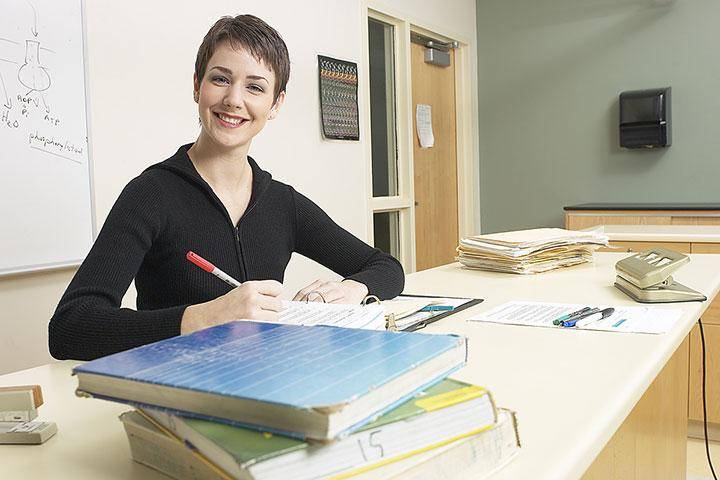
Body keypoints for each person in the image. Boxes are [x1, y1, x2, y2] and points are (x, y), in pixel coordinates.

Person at [48, 15, 404, 361]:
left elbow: (386, 268)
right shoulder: (150, 194)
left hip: (265, 385)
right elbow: (69, 327)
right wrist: (204, 317)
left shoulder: (283, 203)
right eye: (220, 79)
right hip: (176, 393)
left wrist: (350, 290)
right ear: (197, 86)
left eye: (255, 87)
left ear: (275, 104)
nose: (234, 99)